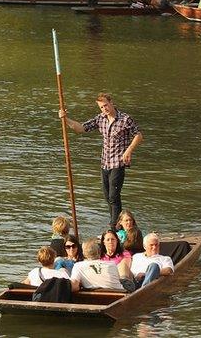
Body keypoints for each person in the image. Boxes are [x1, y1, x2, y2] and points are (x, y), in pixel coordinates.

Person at [60, 93, 143, 229]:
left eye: (105, 105)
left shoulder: (125, 119)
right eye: (101, 107)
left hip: (118, 162)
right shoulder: (101, 119)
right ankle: (118, 224)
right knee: (107, 196)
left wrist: (129, 150)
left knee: (113, 196)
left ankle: (114, 227)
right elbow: (81, 128)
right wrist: (65, 119)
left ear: (111, 102)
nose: (104, 109)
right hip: (105, 163)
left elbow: (139, 135)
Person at [71, 239, 135, 292]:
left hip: (93, 297)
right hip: (119, 294)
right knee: (124, 267)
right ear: (99, 252)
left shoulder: (78, 266)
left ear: (84, 254)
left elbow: (74, 286)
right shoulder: (111, 264)